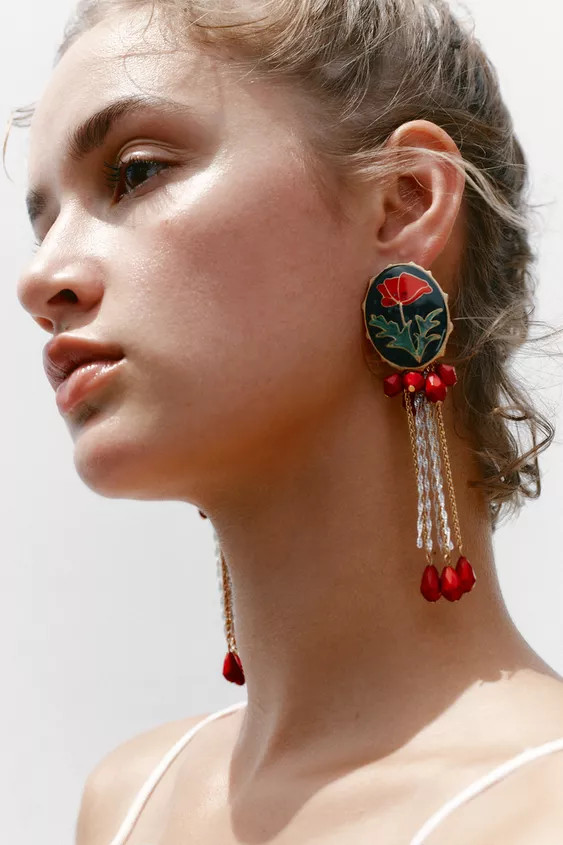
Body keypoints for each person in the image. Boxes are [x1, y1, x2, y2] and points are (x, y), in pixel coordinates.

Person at [8, 0, 563, 841]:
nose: (40, 279)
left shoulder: (538, 808)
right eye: (44, 221)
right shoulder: (127, 802)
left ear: (404, 201)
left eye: (136, 171)